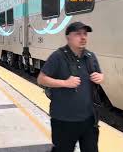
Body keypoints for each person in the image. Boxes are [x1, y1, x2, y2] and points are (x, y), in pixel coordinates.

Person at [37, 22, 104, 152]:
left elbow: (100, 75)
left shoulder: (90, 57)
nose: (83, 37)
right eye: (78, 34)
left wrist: (101, 77)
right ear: (68, 37)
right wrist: (65, 83)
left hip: (89, 120)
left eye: (85, 34)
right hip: (64, 120)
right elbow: (41, 79)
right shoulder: (58, 56)